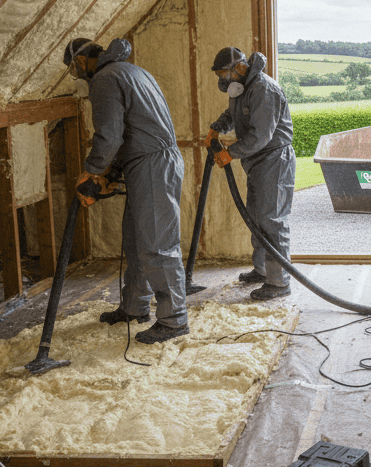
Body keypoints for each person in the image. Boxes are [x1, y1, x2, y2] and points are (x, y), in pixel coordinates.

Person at [65, 37, 189, 344]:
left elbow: (109, 134)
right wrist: (113, 173)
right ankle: (134, 306)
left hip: (150, 163)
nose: (76, 74)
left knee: (158, 245)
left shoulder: (104, 79)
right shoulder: (133, 71)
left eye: (73, 68)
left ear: (81, 61)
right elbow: (130, 128)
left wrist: (92, 172)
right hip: (149, 162)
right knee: (136, 241)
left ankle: (174, 320)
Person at [205, 47, 296, 300]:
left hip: (274, 159)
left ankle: (279, 283)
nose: (223, 80)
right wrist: (217, 128)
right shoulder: (242, 86)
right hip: (257, 160)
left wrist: (230, 153)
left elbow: (260, 135)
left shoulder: (264, 89)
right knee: (256, 218)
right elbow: (233, 114)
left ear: (240, 68)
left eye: (224, 74)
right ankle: (263, 270)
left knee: (272, 221)